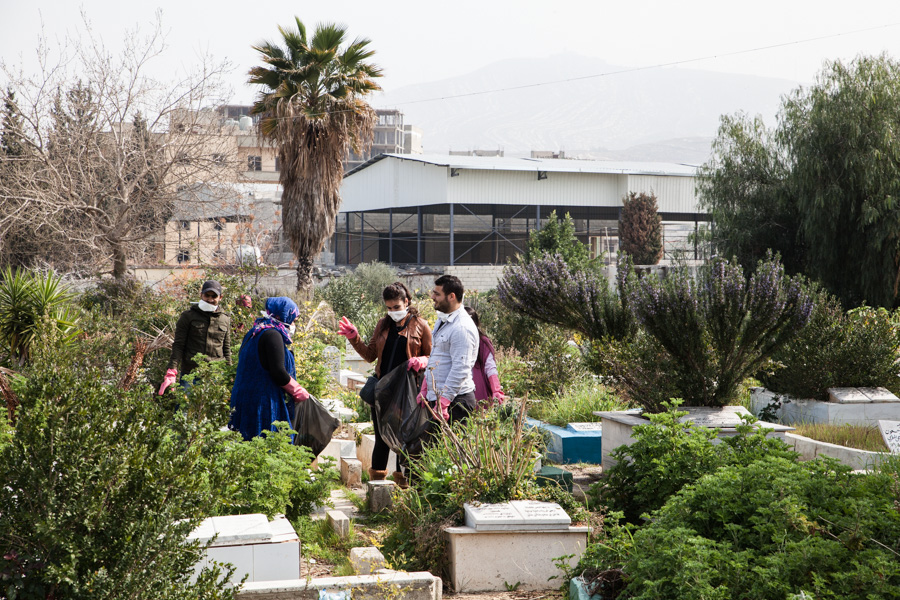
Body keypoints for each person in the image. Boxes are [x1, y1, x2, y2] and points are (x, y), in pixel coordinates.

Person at [337, 282, 432, 487]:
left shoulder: (421, 326)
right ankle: (377, 490)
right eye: (388, 308)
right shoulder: (383, 324)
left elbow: (433, 357)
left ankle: (404, 489)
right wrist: (354, 338)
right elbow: (370, 355)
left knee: (404, 439)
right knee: (381, 439)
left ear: (406, 302)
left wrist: (423, 361)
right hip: (383, 390)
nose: (392, 312)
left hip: (407, 391)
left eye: (396, 307)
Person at [229, 297, 309, 441]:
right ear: (283, 316)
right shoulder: (273, 335)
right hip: (262, 400)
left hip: (245, 396)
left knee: (247, 443)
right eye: (293, 319)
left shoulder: (256, 331)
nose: (293, 324)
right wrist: (296, 389)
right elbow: (277, 371)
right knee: (265, 442)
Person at [416, 275, 479, 425]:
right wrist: (425, 388)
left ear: (451, 296)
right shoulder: (443, 320)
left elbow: (460, 368)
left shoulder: (462, 327)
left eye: (437, 294)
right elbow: (436, 358)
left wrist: (443, 403)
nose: (432, 297)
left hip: (455, 402)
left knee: (448, 448)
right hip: (438, 400)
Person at [159, 280, 231, 394]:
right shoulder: (188, 316)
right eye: (207, 295)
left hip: (215, 374)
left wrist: (229, 374)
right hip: (191, 373)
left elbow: (226, 348)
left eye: (214, 296)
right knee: (184, 410)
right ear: (201, 295)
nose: (210, 299)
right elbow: (178, 345)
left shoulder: (224, 319)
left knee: (212, 410)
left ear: (220, 297)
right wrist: (171, 370)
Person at [464, 307, 505, 405]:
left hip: (477, 385)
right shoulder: (453, 340)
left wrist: (496, 390)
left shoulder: (482, 342)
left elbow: (490, 367)